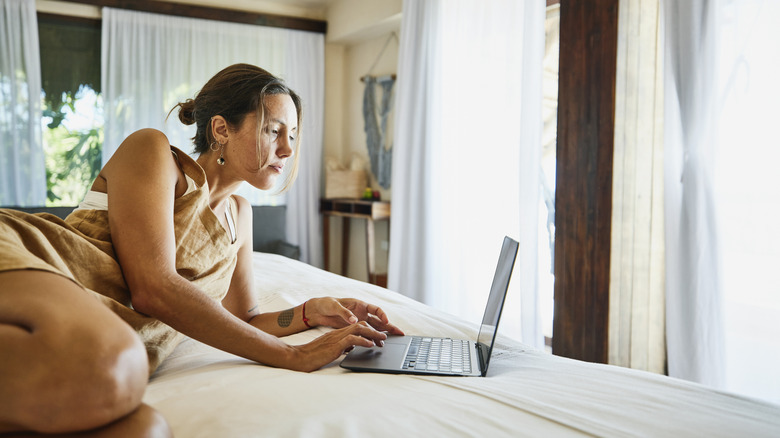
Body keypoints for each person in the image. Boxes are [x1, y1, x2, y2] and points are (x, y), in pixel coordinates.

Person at [0, 63, 403, 436]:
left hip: (103, 332)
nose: (287, 149)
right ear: (221, 129)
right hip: (35, 257)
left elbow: (246, 322)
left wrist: (308, 311)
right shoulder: (154, 153)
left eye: (292, 135)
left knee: (146, 427)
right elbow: (154, 287)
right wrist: (292, 356)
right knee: (117, 363)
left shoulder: (240, 216)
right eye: (272, 130)